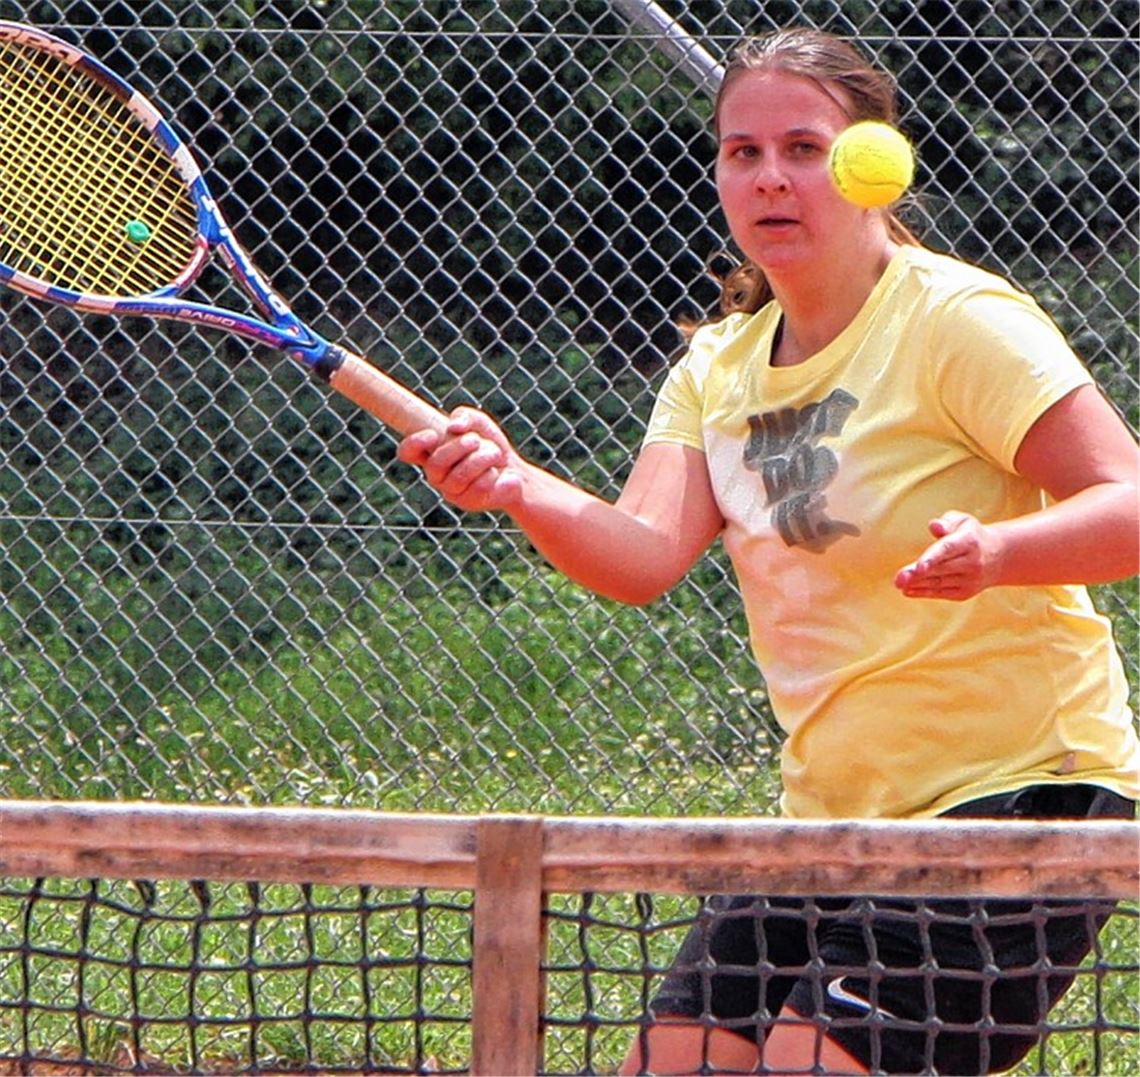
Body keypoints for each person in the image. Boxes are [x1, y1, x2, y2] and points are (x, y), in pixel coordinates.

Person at [397, 26, 1140, 1076]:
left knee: (805, 1064)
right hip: (833, 815)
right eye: (743, 152)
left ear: (868, 160)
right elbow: (643, 555)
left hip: (1022, 792)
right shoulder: (719, 365)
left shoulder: (958, 322)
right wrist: (518, 487)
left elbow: (1132, 501)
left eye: (803, 147)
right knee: (680, 1059)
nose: (770, 177)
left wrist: (1001, 548)